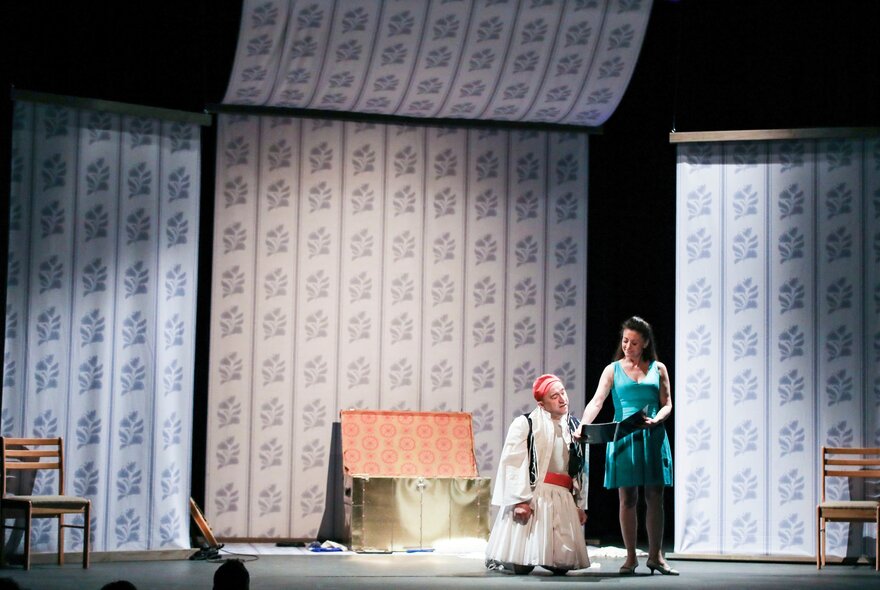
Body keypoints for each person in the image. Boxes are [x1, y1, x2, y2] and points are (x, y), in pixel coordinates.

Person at [580, 316, 677, 575]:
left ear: (645, 343)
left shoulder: (658, 369)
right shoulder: (612, 370)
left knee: (655, 497)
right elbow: (597, 401)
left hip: (652, 435)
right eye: (625, 341)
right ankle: (631, 557)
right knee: (627, 498)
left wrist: (658, 418)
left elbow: (667, 403)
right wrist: (583, 426)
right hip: (623, 436)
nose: (628, 346)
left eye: (634, 342)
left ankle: (656, 556)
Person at [484, 374, 590, 575]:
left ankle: (548, 559)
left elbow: (581, 470)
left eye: (563, 393)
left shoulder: (575, 427)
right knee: (521, 565)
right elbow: (514, 463)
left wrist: (579, 505)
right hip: (534, 495)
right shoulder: (526, 423)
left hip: (561, 497)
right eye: (554, 396)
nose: (562, 399)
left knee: (562, 566)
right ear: (541, 404)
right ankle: (500, 559)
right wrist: (520, 501)